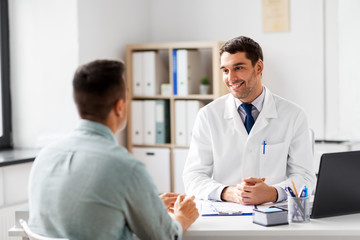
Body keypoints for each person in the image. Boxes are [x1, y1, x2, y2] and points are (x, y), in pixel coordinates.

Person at [28, 60, 199, 240]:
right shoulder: (126, 168)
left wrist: (149, 207)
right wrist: (183, 217)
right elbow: (164, 237)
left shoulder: (45, 156)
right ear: (119, 106)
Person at [183, 36, 316, 205]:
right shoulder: (208, 115)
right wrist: (228, 193)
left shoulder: (294, 115)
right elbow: (193, 176)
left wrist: (273, 193)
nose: (230, 78)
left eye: (238, 68)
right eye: (225, 70)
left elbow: (305, 177)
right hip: (225, 215)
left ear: (258, 67)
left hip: (275, 215)